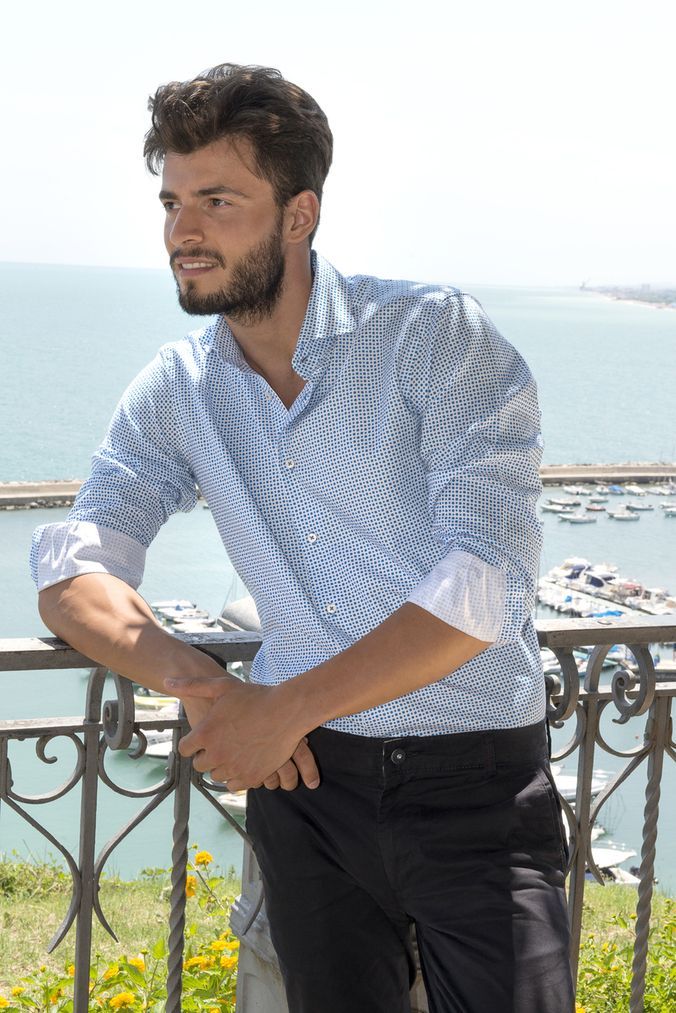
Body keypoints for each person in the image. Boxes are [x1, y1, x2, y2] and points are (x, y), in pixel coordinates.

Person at [32, 63, 574, 1013]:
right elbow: (73, 570)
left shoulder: (433, 336)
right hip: (309, 793)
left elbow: (480, 585)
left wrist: (281, 708)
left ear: (299, 214)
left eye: (217, 201)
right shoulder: (178, 388)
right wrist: (208, 689)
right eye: (171, 203)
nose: (183, 232)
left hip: (477, 788)